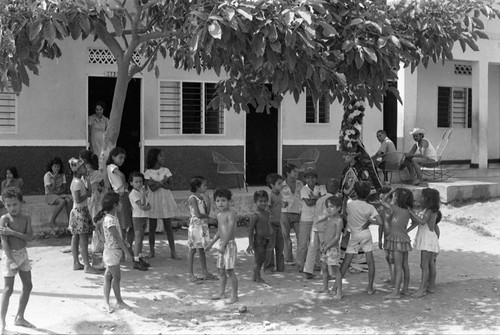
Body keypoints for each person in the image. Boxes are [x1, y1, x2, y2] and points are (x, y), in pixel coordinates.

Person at [339, 181, 383, 295]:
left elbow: (345, 214)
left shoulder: (350, 204)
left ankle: (336, 287)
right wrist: (369, 220)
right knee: (370, 262)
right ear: (368, 194)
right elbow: (380, 222)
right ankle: (369, 288)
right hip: (366, 234)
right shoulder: (370, 207)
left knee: (346, 261)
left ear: (356, 192)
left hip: (355, 234)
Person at [0, 187, 35, 332]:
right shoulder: (4, 219)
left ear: (21, 203)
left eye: (14, 204)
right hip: (10, 256)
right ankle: (2, 324)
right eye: (8, 205)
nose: (12, 208)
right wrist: (12, 261)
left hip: (23, 254)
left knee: (28, 286)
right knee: (8, 290)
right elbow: (5, 243)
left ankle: (19, 317)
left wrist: (12, 232)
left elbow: (30, 237)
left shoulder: (26, 218)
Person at [94, 192, 133, 313]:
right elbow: (116, 238)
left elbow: (116, 237)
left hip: (112, 251)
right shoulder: (110, 220)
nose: (121, 204)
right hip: (112, 252)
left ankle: (106, 302)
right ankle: (119, 301)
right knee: (116, 277)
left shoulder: (111, 218)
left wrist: (124, 244)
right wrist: (126, 252)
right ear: (115, 205)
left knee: (108, 276)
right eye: (120, 203)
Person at [143, 149, 180, 259]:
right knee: (152, 227)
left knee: (168, 226)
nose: (163, 158)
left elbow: (170, 186)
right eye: (161, 156)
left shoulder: (166, 170)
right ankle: (151, 251)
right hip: (153, 200)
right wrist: (163, 182)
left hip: (165, 200)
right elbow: (152, 188)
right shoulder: (148, 172)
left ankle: (173, 252)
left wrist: (157, 183)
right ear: (154, 158)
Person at [68, 158, 101, 274]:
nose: (85, 169)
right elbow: (77, 199)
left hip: (80, 210)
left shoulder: (79, 180)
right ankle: (87, 265)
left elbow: (89, 192)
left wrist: (88, 180)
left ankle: (76, 262)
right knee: (83, 238)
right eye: (82, 167)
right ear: (77, 170)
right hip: (79, 211)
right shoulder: (76, 182)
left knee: (76, 237)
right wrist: (86, 194)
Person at [206, 188, 239, 304]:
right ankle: (221, 292)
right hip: (221, 245)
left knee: (230, 271)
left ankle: (235, 296)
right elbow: (220, 231)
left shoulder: (231, 214)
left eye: (223, 200)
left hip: (229, 245)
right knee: (221, 270)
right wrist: (211, 243)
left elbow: (230, 230)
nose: (220, 203)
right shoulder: (219, 215)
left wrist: (224, 244)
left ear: (229, 201)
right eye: (218, 200)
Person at [380, 188, 414, 299]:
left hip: (396, 239)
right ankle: (405, 289)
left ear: (397, 198)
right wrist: (407, 230)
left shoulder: (393, 208)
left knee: (398, 267)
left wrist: (390, 191)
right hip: (404, 239)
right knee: (405, 265)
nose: (392, 198)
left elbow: (382, 201)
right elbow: (417, 222)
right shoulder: (408, 210)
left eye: (394, 196)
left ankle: (396, 293)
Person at [303, 178, 340, 279]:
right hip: (325, 228)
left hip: (315, 226)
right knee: (326, 248)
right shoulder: (333, 200)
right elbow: (333, 214)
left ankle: (308, 270)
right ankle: (328, 272)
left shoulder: (320, 199)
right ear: (337, 189)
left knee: (312, 248)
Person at [407, 188, 441, 297]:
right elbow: (417, 222)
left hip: (427, 239)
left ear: (427, 199)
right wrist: (406, 231)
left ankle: (422, 289)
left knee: (424, 265)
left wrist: (411, 212)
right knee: (430, 264)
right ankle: (430, 286)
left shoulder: (429, 211)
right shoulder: (429, 210)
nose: (420, 198)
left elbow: (421, 221)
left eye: (422, 196)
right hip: (429, 238)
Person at [187, 176, 217, 282]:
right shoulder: (193, 198)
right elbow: (199, 214)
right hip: (196, 227)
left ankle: (205, 271)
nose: (206, 187)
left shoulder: (201, 198)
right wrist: (209, 217)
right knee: (192, 250)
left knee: (201, 250)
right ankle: (190, 274)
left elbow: (206, 212)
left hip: (202, 226)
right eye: (204, 185)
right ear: (197, 187)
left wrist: (208, 201)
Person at [106, 147, 134, 256]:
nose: (122, 160)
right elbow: (122, 175)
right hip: (122, 194)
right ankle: (126, 249)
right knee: (125, 223)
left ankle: (125, 249)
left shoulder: (109, 167)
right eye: (120, 157)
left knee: (123, 223)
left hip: (119, 194)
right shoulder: (112, 167)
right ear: (113, 157)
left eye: (123, 158)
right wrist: (123, 186)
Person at [315, 196, 343, 300]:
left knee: (335, 270)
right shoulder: (329, 218)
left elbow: (336, 237)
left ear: (339, 208)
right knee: (323, 267)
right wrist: (324, 243)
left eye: (331, 207)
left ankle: (339, 291)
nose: (328, 209)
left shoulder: (339, 220)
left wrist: (328, 246)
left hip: (333, 249)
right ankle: (325, 287)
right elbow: (324, 228)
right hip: (326, 247)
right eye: (327, 207)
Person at [79, 150, 106, 262]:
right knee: (97, 226)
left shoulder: (88, 173)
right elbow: (100, 187)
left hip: (91, 201)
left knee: (95, 226)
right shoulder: (95, 173)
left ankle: (96, 250)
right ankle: (97, 249)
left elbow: (94, 188)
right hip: (94, 201)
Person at [368, 187, 394, 287]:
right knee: (388, 257)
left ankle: (394, 279)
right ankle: (392, 276)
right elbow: (381, 225)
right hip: (386, 237)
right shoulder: (382, 209)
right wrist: (379, 239)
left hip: (392, 237)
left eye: (383, 194)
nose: (380, 196)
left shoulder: (392, 208)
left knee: (392, 259)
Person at [296, 168, 321, 272]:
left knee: (316, 243)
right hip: (306, 219)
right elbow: (309, 203)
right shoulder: (304, 189)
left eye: (313, 177)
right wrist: (317, 198)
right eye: (308, 177)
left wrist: (314, 198)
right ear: (305, 179)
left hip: (317, 219)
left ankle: (316, 263)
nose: (311, 179)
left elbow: (321, 199)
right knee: (303, 243)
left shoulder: (319, 188)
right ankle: (300, 264)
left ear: (316, 178)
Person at [246, 190, 271, 284]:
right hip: (259, 240)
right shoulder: (255, 215)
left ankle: (255, 275)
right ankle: (258, 277)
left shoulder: (266, 213)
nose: (263, 203)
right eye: (260, 201)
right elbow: (250, 230)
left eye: (265, 201)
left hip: (266, 239)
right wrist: (250, 244)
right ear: (255, 202)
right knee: (258, 259)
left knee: (263, 258)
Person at [281, 163, 303, 266]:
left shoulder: (300, 184)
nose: (297, 173)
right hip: (285, 213)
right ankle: (288, 258)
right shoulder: (281, 185)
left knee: (301, 237)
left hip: (298, 212)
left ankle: (301, 259)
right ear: (288, 173)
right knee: (286, 237)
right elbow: (277, 198)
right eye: (294, 171)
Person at [128, 172, 151, 271]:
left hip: (144, 217)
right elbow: (142, 206)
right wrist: (142, 195)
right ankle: (136, 260)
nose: (139, 184)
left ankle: (139, 256)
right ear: (131, 183)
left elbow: (149, 206)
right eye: (136, 182)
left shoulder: (142, 192)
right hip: (137, 218)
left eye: (141, 181)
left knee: (141, 238)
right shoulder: (133, 194)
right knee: (137, 239)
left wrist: (144, 197)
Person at [263, 173, 284, 274]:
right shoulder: (270, 195)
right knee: (270, 246)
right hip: (271, 223)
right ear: (272, 185)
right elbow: (267, 209)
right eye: (279, 183)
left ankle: (280, 266)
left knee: (280, 246)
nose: (281, 185)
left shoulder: (280, 195)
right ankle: (268, 267)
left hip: (280, 223)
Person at [44, 157, 73, 226]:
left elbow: (64, 188)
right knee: (62, 201)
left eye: (58, 167)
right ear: (51, 167)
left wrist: (59, 193)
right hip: (50, 195)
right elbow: (50, 190)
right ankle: (52, 221)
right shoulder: (47, 176)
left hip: (60, 193)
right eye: (55, 166)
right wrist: (55, 179)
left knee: (69, 200)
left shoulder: (62, 175)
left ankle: (70, 222)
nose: (56, 168)